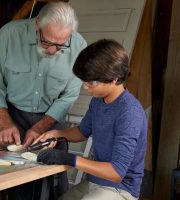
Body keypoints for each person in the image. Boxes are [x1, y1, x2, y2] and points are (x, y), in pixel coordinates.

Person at [0, 1, 86, 199]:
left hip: (53, 121)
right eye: (47, 42)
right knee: (17, 183)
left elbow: (69, 95)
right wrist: (3, 120)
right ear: (37, 24)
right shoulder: (9, 34)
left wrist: (42, 127)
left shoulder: (79, 45)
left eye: (60, 45)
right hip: (14, 117)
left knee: (53, 184)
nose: (52, 51)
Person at [35, 39, 147, 200]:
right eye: (84, 81)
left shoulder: (129, 112)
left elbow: (116, 172)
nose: (85, 87)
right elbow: (82, 132)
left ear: (114, 78)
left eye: (92, 82)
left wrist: (68, 159)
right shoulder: (98, 100)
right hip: (94, 182)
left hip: (121, 190)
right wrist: (56, 133)